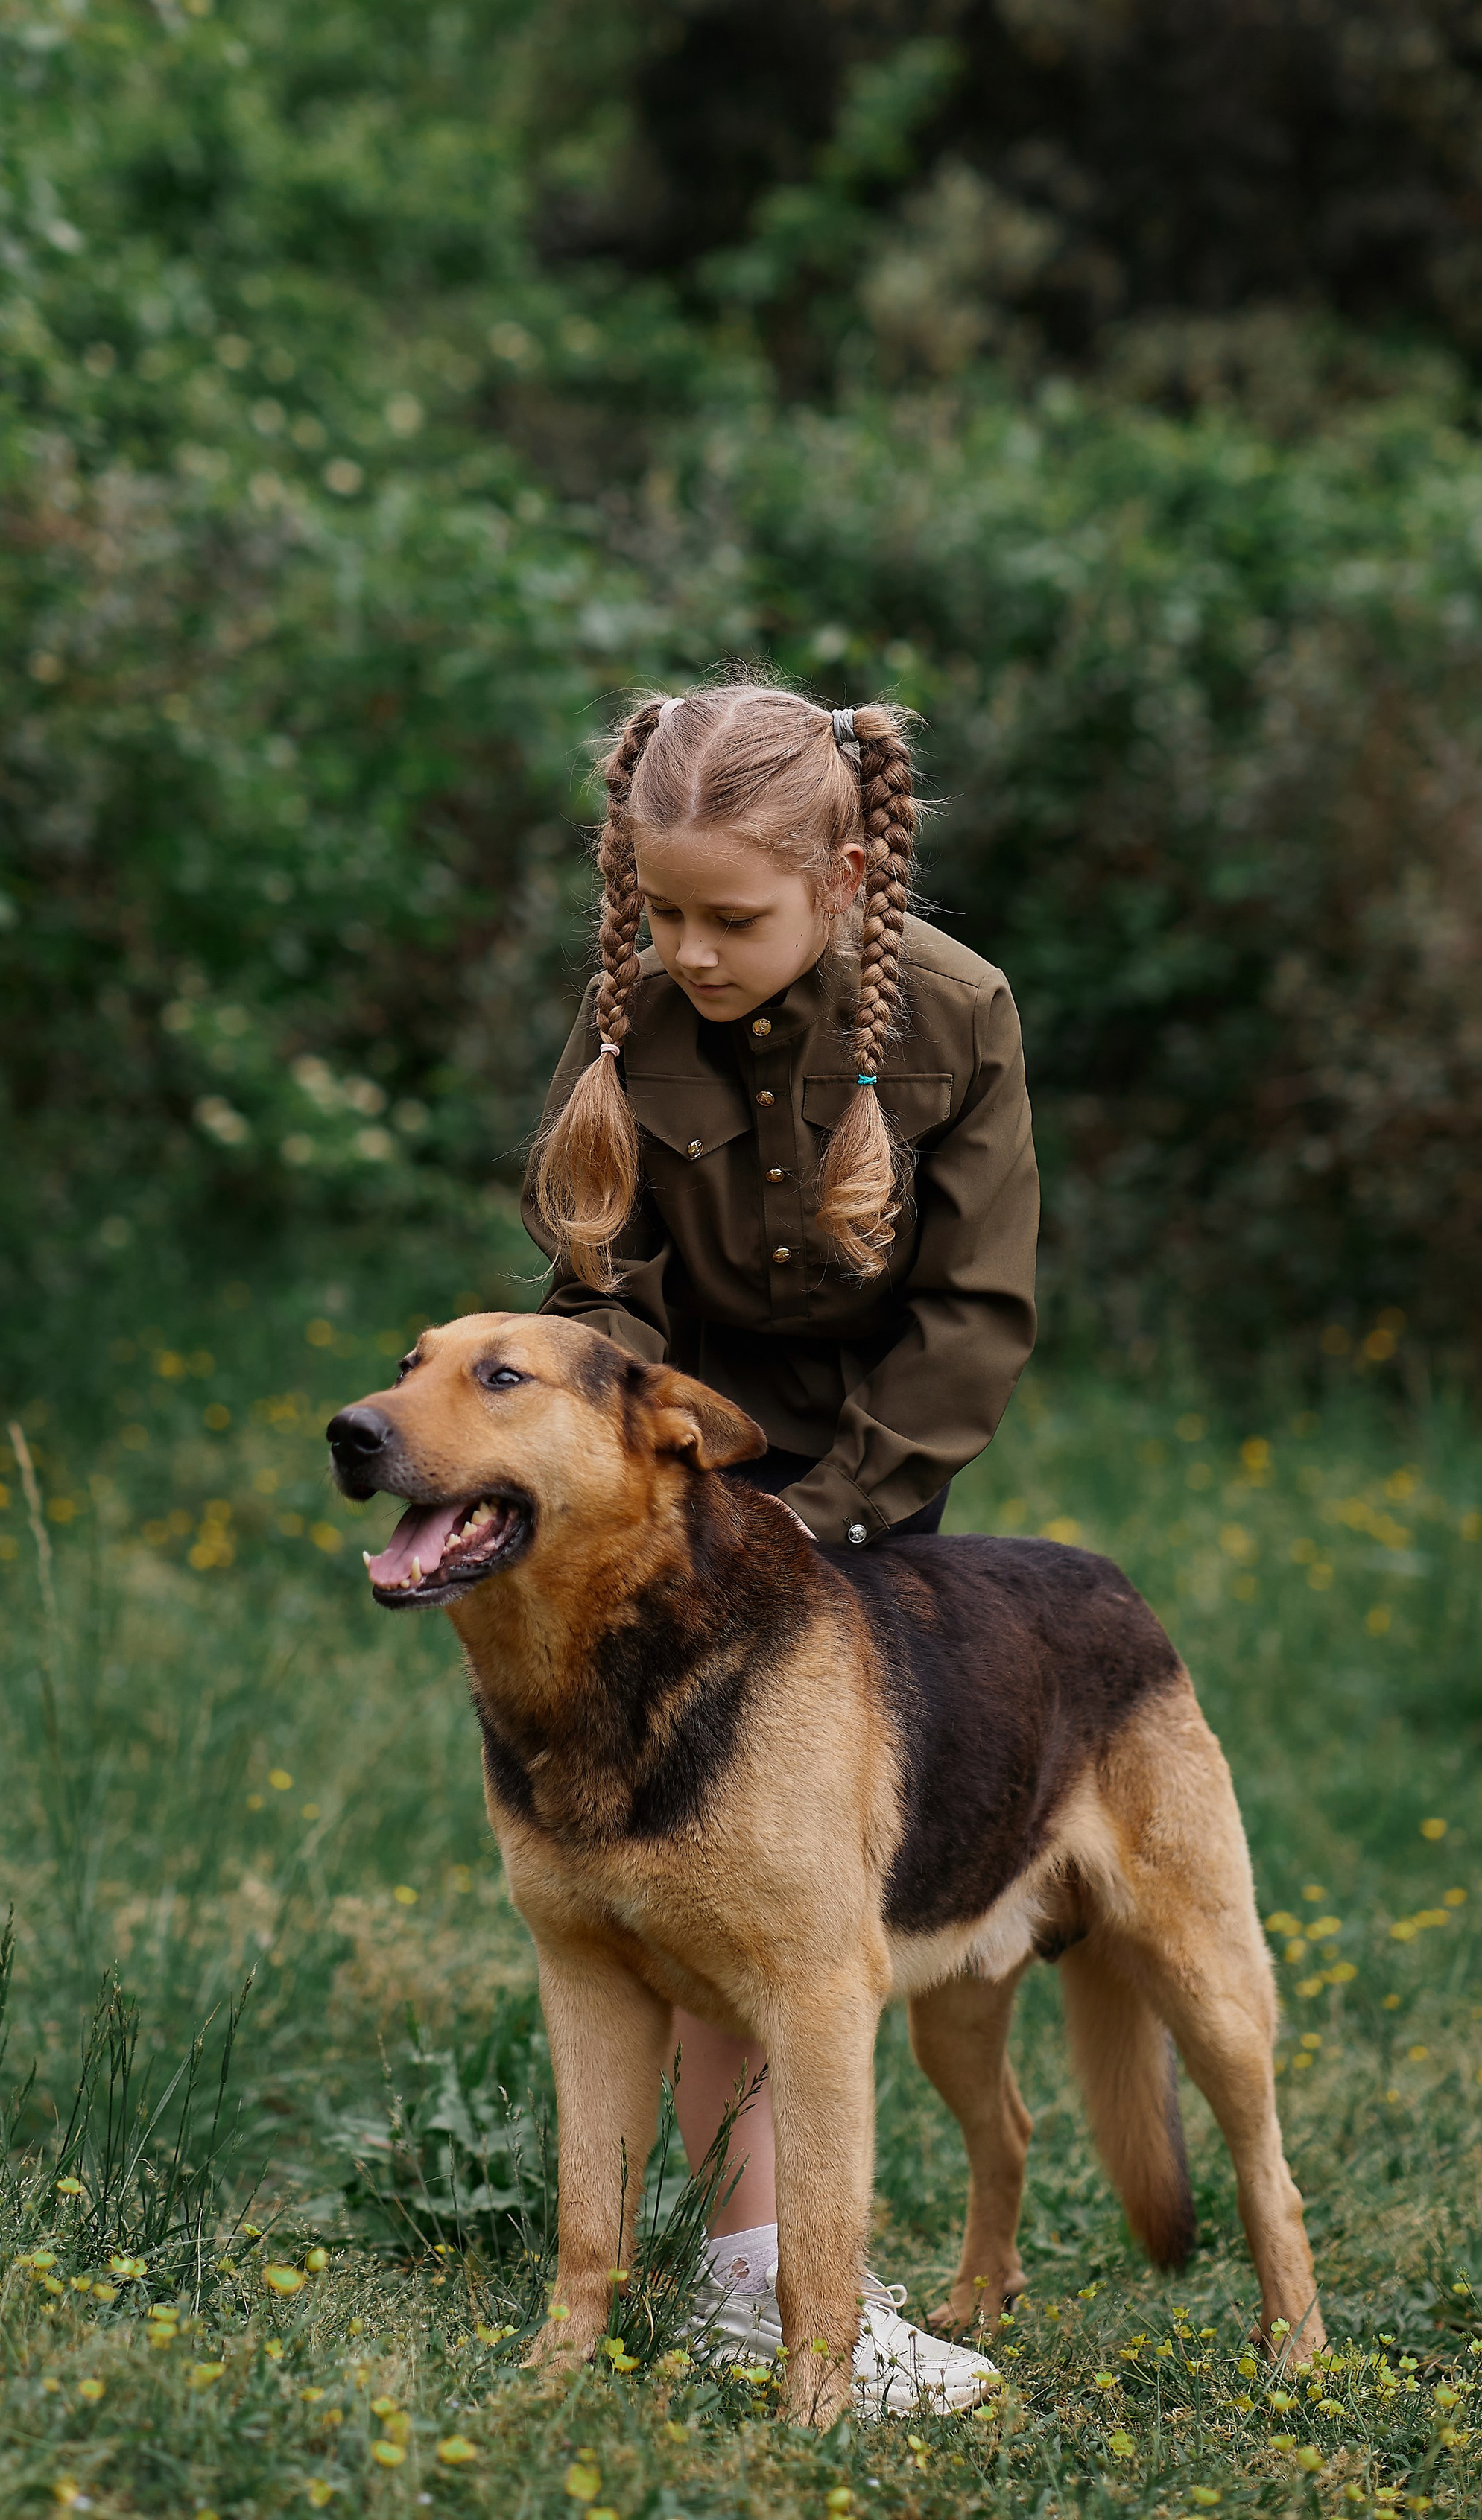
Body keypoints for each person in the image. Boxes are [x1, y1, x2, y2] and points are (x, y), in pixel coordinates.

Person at [522, 679, 1040, 2416]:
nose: (689, 948)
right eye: (659, 910)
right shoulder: (627, 1019)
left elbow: (971, 1312)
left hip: (865, 1507)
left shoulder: (958, 1018)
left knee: (807, 1903)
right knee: (676, 1881)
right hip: (669, 1497)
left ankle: (833, 2256)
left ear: (838, 873)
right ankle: (752, 2281)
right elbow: (594, 1290)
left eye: (730, 917)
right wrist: (633, 1493)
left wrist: (828, 1520)